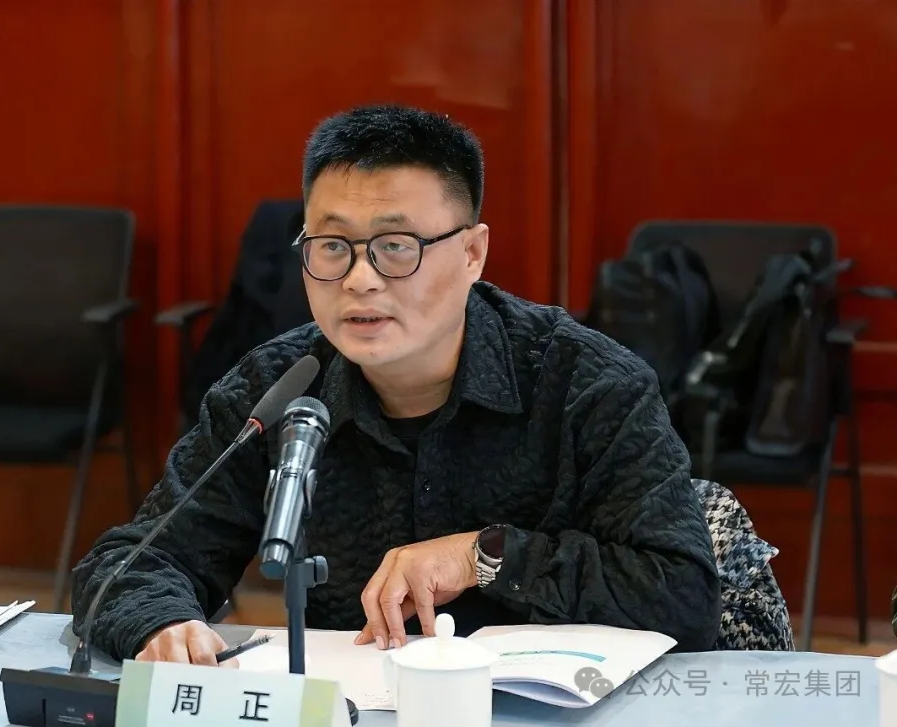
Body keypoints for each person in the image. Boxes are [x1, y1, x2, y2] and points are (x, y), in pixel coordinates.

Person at [70, 104, 722, 667]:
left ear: (472, 253)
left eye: (396, 245)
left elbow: (684, 595)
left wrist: (483, 556)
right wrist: (160, 622)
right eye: (332, 246)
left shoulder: (589, 384)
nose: (360, 279)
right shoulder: (276, 388)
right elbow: (134, 560)